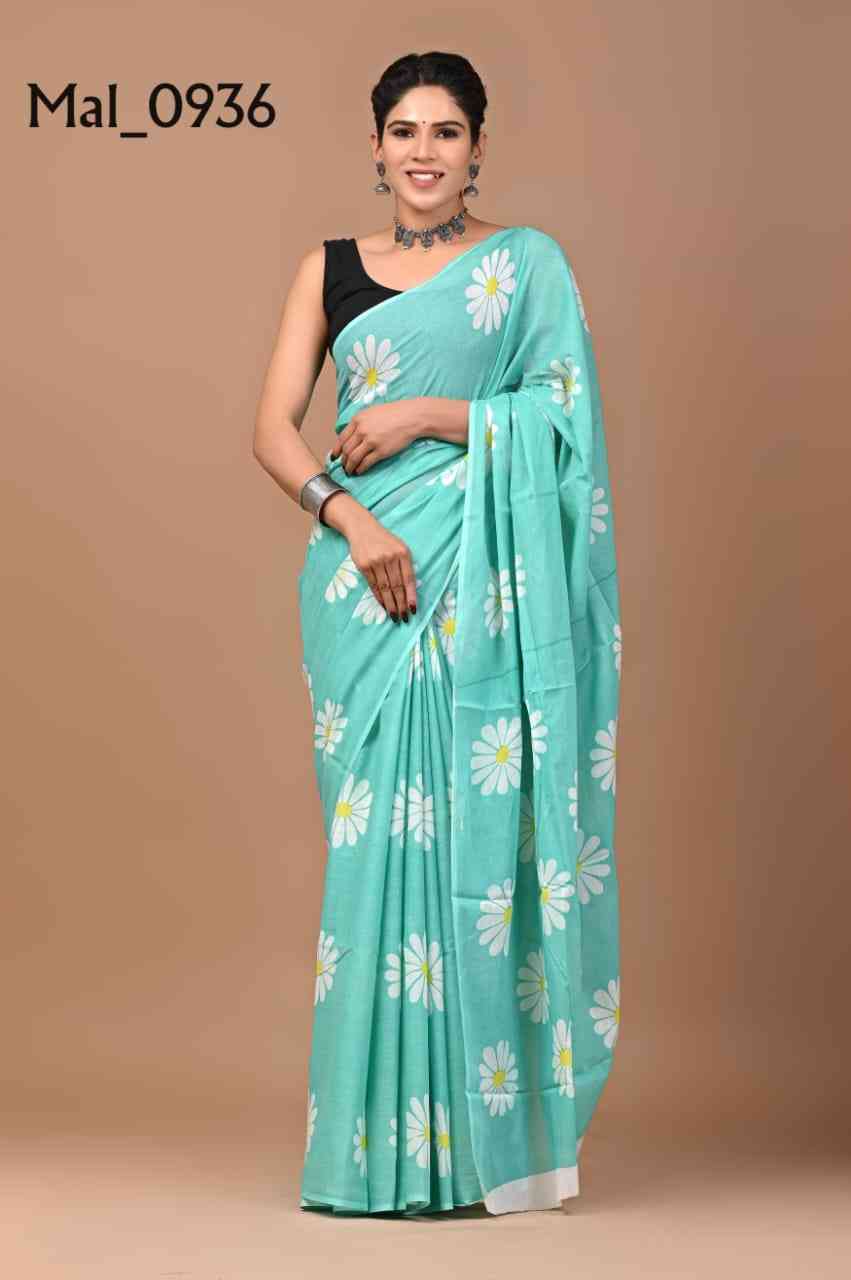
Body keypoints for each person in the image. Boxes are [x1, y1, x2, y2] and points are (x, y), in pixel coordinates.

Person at [253, 50, 623, 1217]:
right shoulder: (325, 269)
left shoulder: (525, 267)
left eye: (446, 132)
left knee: (476, 846)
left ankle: (474, 1150)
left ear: (476, 150)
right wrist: (351, 519)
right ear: (375, 147)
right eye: (404, 131)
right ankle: (367, 1153)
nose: (423, 151)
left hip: (480, 584)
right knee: (373, 857)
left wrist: (424, 412)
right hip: (362, 593)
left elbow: (562, 425)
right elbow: (272, 428)